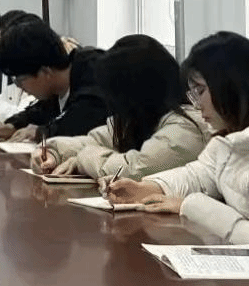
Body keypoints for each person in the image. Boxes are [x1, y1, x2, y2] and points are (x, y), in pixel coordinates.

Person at [106, 32, 249, 243]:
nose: (197, 104)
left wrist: (190, 206)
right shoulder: (226, 141)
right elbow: (196, 175)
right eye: (193, 93)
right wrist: (148, 188)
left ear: (230, 86)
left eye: (200, 91)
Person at [30, 34, 208, 180]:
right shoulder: (141, 119)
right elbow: (96, 140)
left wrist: (82, 160)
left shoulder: (186, 128)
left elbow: (136, 169)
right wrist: (53, 152)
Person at [0, 20, 109, 142]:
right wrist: (12, 125)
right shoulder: (58, 88)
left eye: (20, 80)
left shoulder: (95, 76)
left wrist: (42, 132)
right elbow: (41, 112)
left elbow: (80, 121)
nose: (19, 87)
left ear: (45, 72)